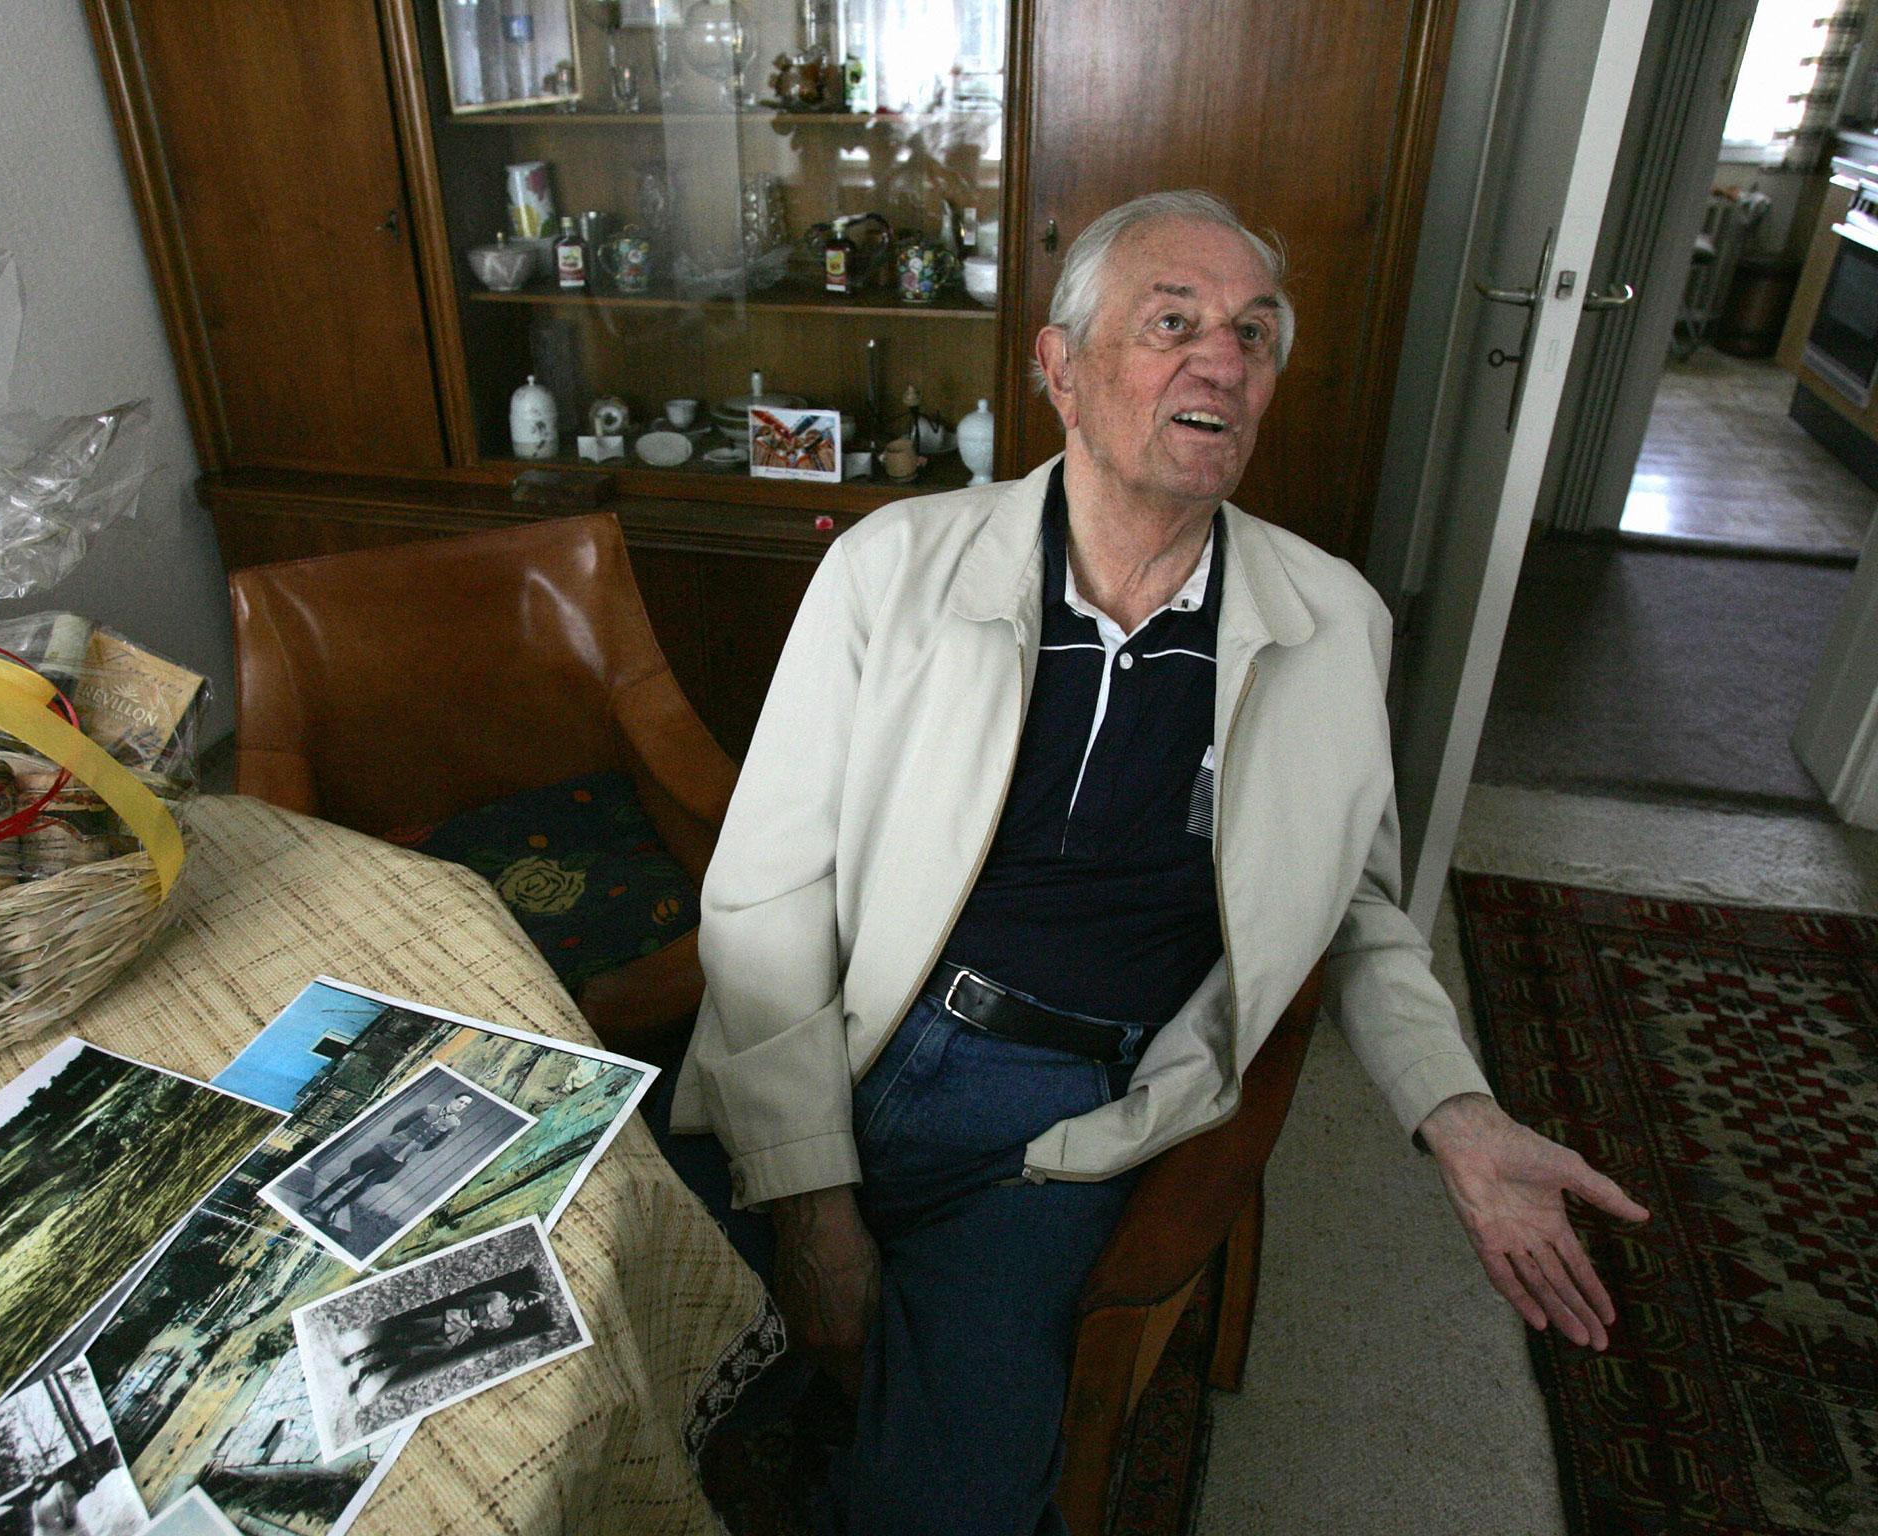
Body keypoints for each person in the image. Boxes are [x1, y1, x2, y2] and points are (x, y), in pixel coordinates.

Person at [656, 189, 1652, 1536]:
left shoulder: (1332, 626)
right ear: (1060, 370)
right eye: (1170, 322)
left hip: (1060, 1122)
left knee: (950, 1510)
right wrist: (814, 1200)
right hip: (844, 1030)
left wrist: (1456, 1111)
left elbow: (1350, 904)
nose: (1223, 362)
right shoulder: (893, 569)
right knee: (603, 1339)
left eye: (1251, 335)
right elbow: (772, 886)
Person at [336, 1270, 550, 1404]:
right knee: (404, 1336)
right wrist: (456, 1315)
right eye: (528, 1300)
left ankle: (368, 1371)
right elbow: (469, 1300)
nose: (525, 1305)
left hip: (458, 1336)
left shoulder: (508, 1322)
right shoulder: (498, 1297)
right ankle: (362, 1353)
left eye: (529, 1307)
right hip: (452, 1318)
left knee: (410, 1353)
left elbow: (485, 1335)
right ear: (524, 1296)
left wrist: (469, 1331)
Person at [304, 1093, 473, 1231]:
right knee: (351, 1175)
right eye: (461, 1101)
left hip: (402, 1158)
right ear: (453, 1099)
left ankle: (334, 1209)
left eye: (465, 1105)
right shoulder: (430, 1109)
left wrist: (413, 1148)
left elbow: (434, 1144)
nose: (461, 1106)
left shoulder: (453, 1124)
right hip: (386, 1147)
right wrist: (398, 1139)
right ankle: (317, 1201)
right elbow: (402, 1123)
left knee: (366, 1185)